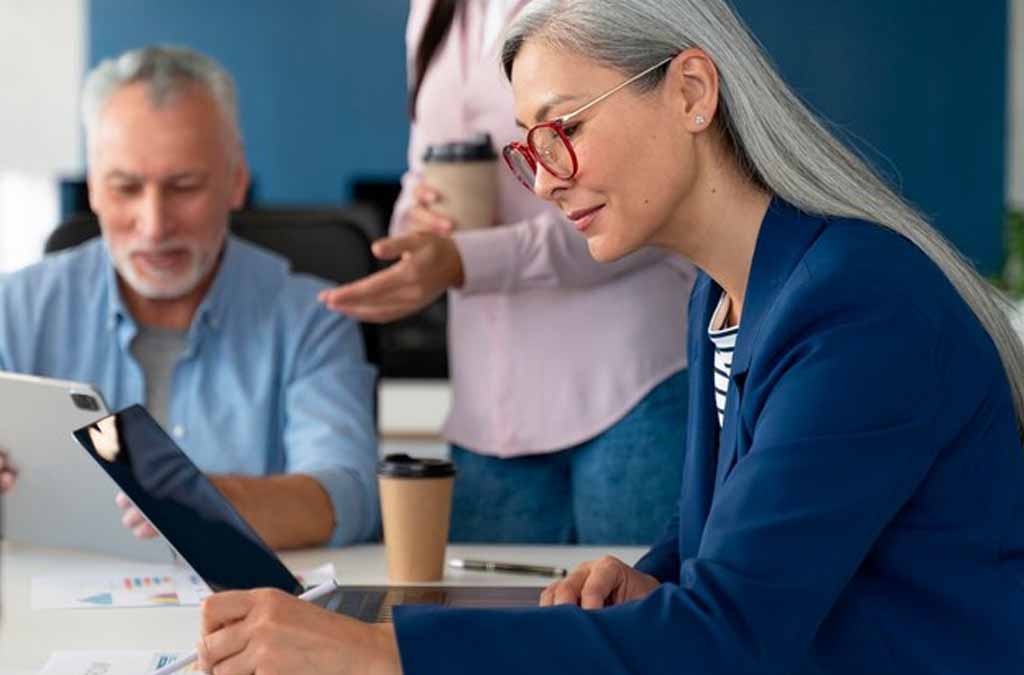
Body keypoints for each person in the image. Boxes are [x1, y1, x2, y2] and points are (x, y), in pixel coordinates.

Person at [194, 0, 1024, 672]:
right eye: (529, 148)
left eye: (567, 128)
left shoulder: (855, 309)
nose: (545, 179)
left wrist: (380, 651)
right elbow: (736, 551)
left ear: (693, 92)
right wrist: (656, 577)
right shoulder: (719, 297)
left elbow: (725, 635)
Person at [0, 46, 379, 550]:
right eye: (125, 188)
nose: (155, 225)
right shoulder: (7, 316)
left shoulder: (314, 320)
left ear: (236, 182)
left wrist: (209, 501)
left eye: (184, 187)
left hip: (250, 616)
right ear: (94, 188)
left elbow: (349, 501)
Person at [320, 0, 695, 545]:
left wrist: (465, 262)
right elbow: (423, 170)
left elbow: (646, 198)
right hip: (487, 419)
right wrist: (417, 221)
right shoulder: (431, 12)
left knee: (633, 621)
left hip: (627, 397)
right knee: (489, 624)